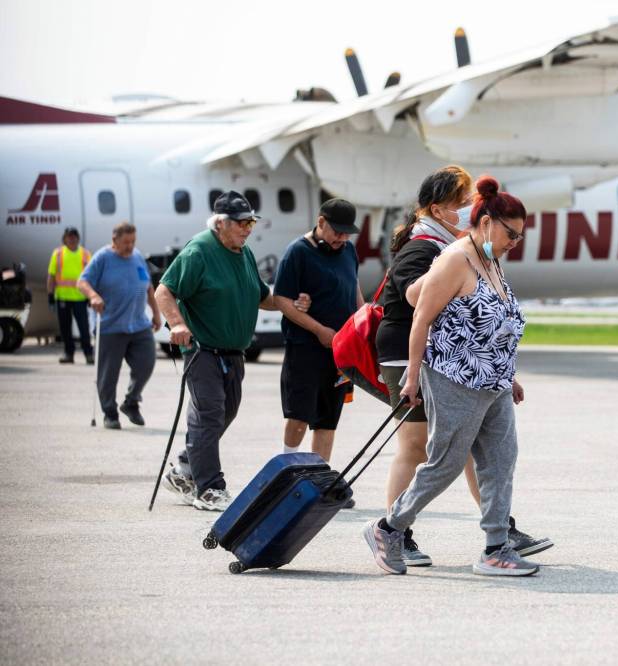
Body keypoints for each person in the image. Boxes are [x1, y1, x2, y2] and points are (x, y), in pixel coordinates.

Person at [376, 165, 552, 568]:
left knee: (500, 458)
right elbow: (420, 314)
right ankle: (391, 528)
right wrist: (414, 373)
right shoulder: (447, 255)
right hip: (451, 375)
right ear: (487, 222)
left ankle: (496, 547)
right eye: (512, 233)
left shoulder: (488, 259)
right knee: (442, 461)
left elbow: (495, 325)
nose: (515, 242)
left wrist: (509, 375)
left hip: (490, 380)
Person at [154, 191, 310, 512]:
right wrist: (177, 325)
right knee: (209, 414)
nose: (247, 228)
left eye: (250, 222)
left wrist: (288, 303)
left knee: (227, 411)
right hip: (202, 350)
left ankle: (185, 467)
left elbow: (260, 296)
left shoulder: (244, 253)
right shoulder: (199, 251)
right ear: (221, 223)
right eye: (241, 223)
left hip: (233, 353)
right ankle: (209, 488)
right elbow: (164, 291)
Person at [273, 198, 363, 471]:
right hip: (306, 348)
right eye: (337, 231)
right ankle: (287, 469)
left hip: (340, 350)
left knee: (328, 418)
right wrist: (318, 329)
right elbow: (281, 299)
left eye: (347, 233)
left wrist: (362, 319)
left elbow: (353, 285)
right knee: (299, 414)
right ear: (321, 222)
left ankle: (318, 476)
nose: (342, 238)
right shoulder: (298, 252)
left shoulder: (348, 250)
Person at [77, 222, 161, 429]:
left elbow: (148, 287)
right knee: (108, 375)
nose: (130, 246)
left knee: (147, 363)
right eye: (126, 242)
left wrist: (156, 314)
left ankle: (131, 402)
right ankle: (110, 413)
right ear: (114, 240)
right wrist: (94, 296)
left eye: (133, 241)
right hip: (111, 326)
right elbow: (82, 282)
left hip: (138, 325)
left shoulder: (137, 257)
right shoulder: (103, 258)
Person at [47, 227, 94, 364]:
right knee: (65, 329)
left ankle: (89, 354)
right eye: (69, 236)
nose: (72, 239)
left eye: (74, 236)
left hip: (80, 298)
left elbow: (91, 276)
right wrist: (50, 295)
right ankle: (69, 354)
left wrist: (91, 295)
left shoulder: (85, 254)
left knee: (84, 328)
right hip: (63, 298)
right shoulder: (58, 254)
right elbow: (51, 276)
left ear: (78, 238)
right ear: (64, 238)